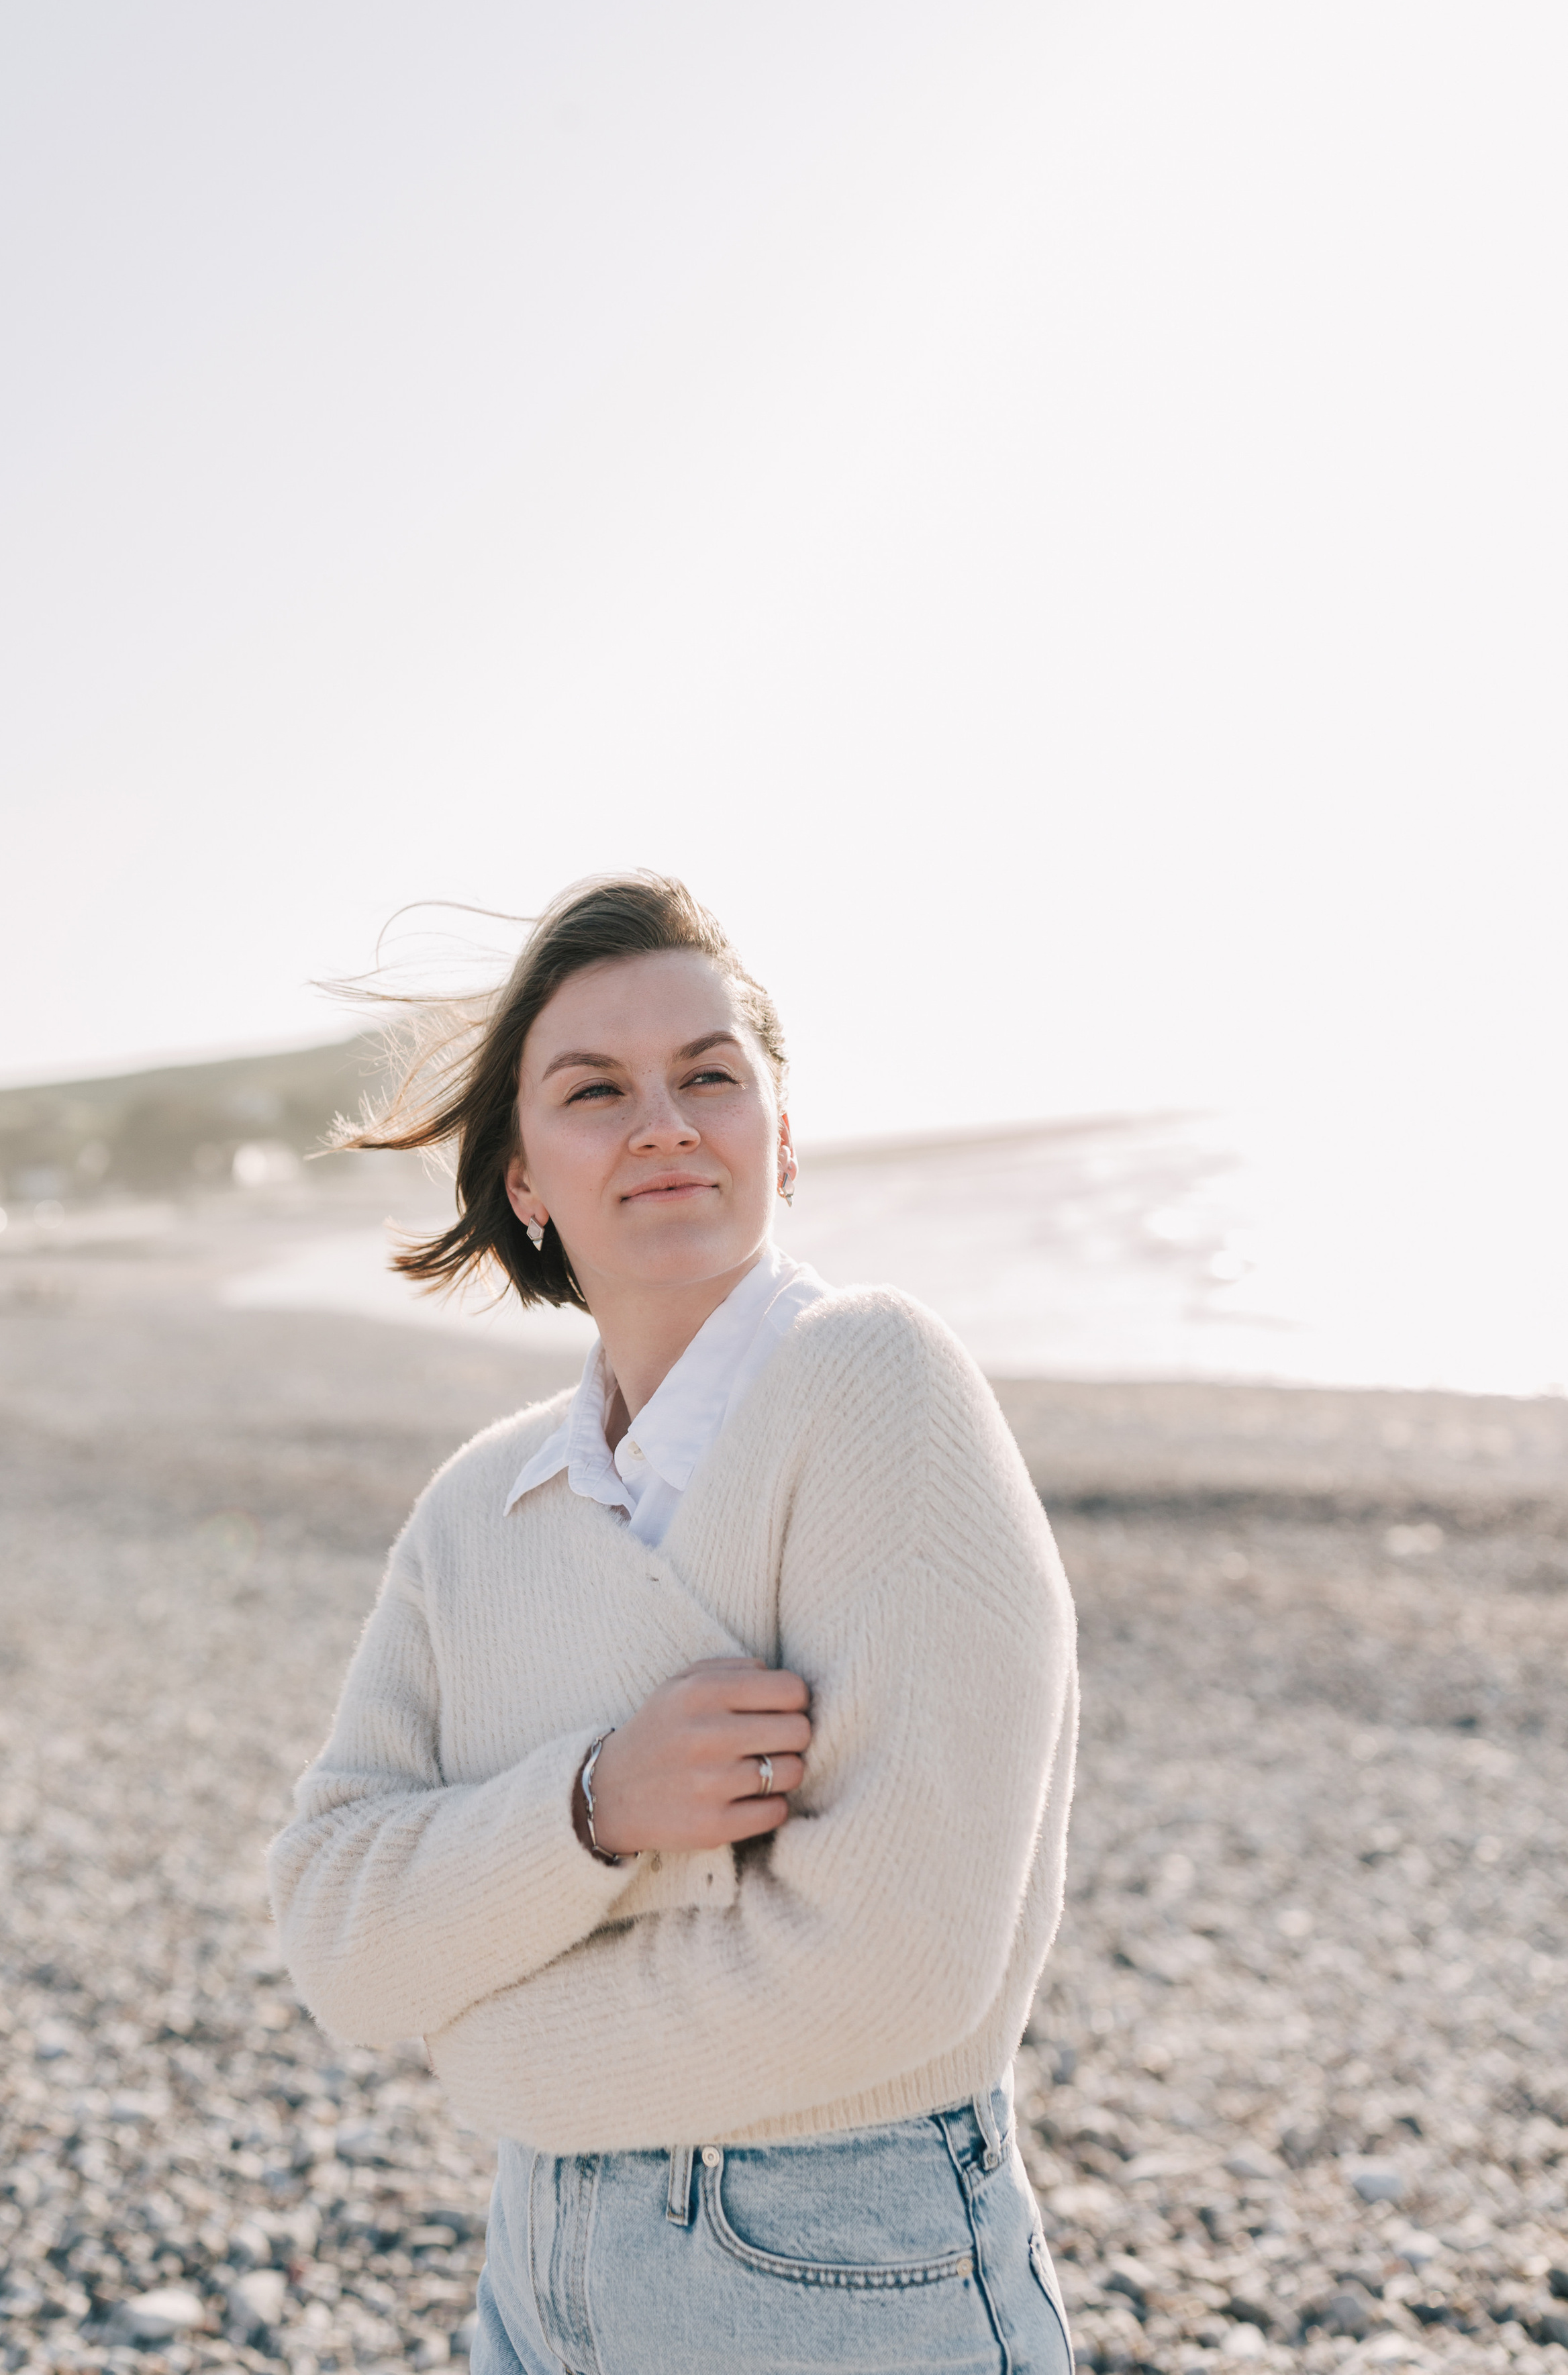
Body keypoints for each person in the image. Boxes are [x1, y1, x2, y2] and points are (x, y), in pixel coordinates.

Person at [268, 873, 1079, 2375]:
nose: (662, 1122)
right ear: (523, 1179)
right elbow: (333, 1928)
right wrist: (589, 1813)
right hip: (531, 2280)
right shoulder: (474, 1509)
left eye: (708, 1076)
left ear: (781, 1135)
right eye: (594, 1091)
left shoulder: (874, 1385)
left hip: (840, 2276)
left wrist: (488, 2041)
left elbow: (890, 1970)